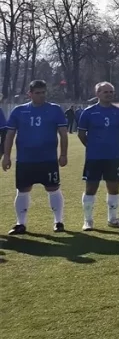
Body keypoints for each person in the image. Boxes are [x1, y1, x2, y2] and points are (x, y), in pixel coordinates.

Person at [2, 80, 69, 236]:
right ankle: (21, 224)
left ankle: (58, 222)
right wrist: (6, 156)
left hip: (48, 159)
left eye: (43, 92)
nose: (41, 96)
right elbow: (10, 135)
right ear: (29, 94)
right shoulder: (19, 111)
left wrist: (63, 154)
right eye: (37, 93)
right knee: (23, 190)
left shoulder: (55, 110)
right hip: (25, 159)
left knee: (53, 188)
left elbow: (63, 134)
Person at [78, 82, 119, 230]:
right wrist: (93, 146)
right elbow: (82, 134)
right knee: (91, 188)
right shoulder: (88, 112)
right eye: (105, 92)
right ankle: (88, 221)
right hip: (94, 157)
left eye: (111, 92)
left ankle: (113, 218)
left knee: (114, 188)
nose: (108, 94)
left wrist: (110, 144)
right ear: (97, 94)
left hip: (113, 156)